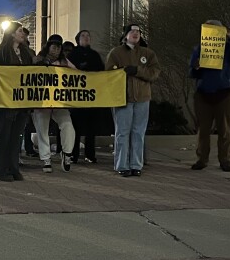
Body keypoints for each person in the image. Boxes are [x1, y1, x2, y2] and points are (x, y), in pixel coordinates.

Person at [189, 20, 230, 172]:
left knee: (225, 130)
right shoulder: (200, 48)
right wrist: (195, 66)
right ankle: (202, 159)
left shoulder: (228, 49)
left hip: (223, 93)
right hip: (203, 94)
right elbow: (192, 69)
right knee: (203, 130)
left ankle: (225, 160)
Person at [106, 24, 160, 177]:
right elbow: (109, 74)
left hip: (142, 98)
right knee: (122, 132)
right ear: (125, 35)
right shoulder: (116, 53)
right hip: (123, 98)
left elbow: (154, 72)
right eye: (132, 31)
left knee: (138, 132)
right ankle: (121, 165)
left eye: (138, 32)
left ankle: (136, 164)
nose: (136, 34)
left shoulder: (148, 53)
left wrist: (138, 71)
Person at [0, 21, 35, 181]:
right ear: (12, 34)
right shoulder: (0, 52)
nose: (23, 34)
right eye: (20, 31)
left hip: (21, 102)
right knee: (4, 136)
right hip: (3, 102)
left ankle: (13, 168)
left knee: (16, 137)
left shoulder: (27, 53)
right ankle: (0, 170)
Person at [33, 34, 76, 173]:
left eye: (59, 47)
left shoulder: (64, 62)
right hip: (42, 102)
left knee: (68, 125)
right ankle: (46, 159)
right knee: (42, 129)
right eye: (54, 47)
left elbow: (78, 74)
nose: (56, 50)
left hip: (59, 101)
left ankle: (67, 153)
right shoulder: (38, 60)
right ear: (48, 47)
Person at [67, 29, 107, 164]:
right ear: (77, 39)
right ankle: (74, 154)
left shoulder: (95, 55)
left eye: (88, 36)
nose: (86, 38)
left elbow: (101, 73)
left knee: (91, 128)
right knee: (75, 128)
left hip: (91, 97)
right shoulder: (72, 55)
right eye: (83, 35)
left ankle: (90, 154)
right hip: (77, 97)